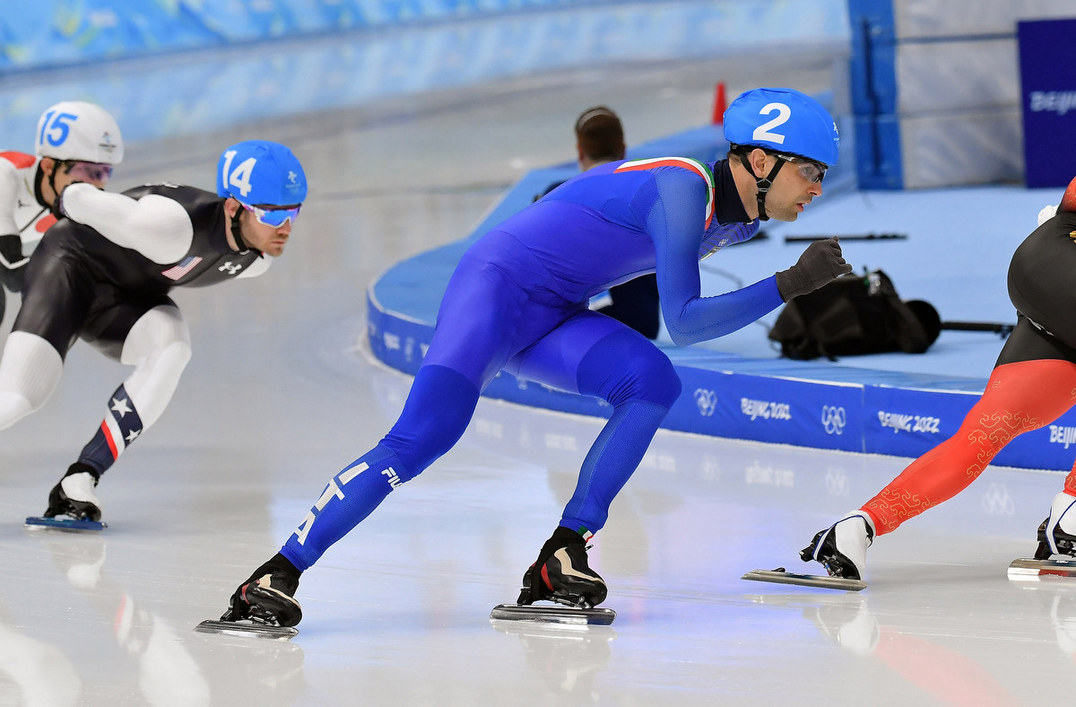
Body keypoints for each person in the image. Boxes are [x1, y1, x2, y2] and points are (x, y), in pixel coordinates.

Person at [219, 87, 849, 628]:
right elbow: (682, 321)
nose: (817, 189)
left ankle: (563, 553)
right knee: (420, 441)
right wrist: (788, 284)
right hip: (493, 290)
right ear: (761, 160)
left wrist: (787, 282)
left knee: (652, 382)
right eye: (810, 173)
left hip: (552, 310)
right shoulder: (683, 187)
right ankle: (274, 576)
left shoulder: (738, 219)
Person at [0, 139, 307, 523]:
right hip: (67, 271)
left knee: (172, 346)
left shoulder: (256, 261)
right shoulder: (169, 225)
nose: (286, 227)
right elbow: (75, 198)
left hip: (124, 296)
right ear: (233, 207)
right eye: (273, 215)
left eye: (294, 212)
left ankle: (80, 478)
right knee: (17, 398)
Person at [801, 173, 1076, 581]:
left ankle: (856, 528)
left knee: (982, 435)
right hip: (1061, 256)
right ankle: (1070, 516)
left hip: (1049, 280)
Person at [0, 101, 124, 320]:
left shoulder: (74, 200)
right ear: (48, 166)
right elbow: (12, 272)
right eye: (85, 171)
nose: (95, 185)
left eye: (103, 172)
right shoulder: (5, 173)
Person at [565, 106, 661, 339]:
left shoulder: (556, 197)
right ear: (623, 149)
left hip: (574, 326)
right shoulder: (652, 194)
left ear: (579, 151)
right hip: (640, 321)